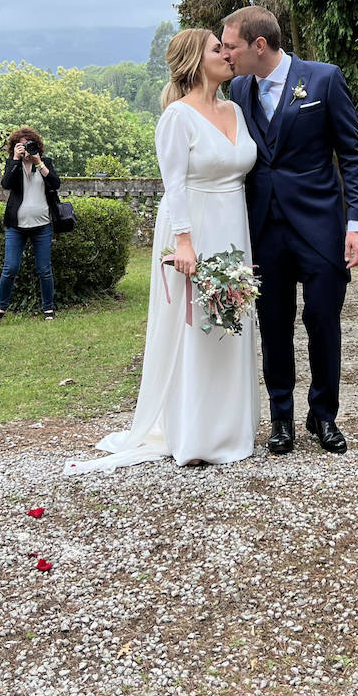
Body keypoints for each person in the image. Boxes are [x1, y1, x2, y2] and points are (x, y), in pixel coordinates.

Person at [65, 29, 259, 473]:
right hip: (193, 226)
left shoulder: (234, 109)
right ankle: (194, 433)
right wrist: (186, 243)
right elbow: (173, 185)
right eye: (218, 49)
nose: (228, 54)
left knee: (233, 319)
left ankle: (232, 430)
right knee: (196, 326)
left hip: (234, 226)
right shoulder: (177, 117)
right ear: (195, 61)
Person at [220, 5, 358, 456]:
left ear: (258, 45)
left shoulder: (323, 80)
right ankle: (281, 416)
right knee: (273, 324)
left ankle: (323, 415)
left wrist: (357, 224)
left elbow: (352, 155)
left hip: (321, 226)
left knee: (323, 320)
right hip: (263, 228)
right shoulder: (238, 89)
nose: (225, 54)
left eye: (231, 46)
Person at [0, 126, 61, 324]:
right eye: (21, 145)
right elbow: (6, 184)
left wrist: (38, 163)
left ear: (37, 146)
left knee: (44, 269)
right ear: (15, 147)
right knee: (10, 268)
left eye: (30, 144)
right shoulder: (13, 164)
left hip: (42, 224)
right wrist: (15, 159)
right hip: (16, 226)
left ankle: (48, 309)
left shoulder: (44, 163)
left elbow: (55, 183)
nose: (26, 149)